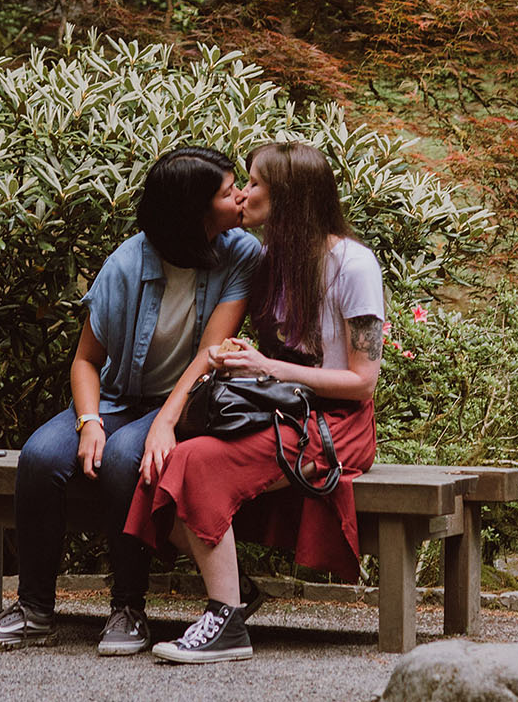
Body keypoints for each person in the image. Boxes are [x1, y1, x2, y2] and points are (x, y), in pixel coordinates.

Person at [0, 147, 261, 656]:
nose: (239, 196)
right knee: (39, 457)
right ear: (193, 212)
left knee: (127, 457)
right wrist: (89, 420)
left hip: (185, 402)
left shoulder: (241, 254)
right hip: (120, 397)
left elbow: (209, 357)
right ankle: (33, 609)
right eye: (226, 190)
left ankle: (128, 608)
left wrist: (164, 421)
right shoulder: (126, 264)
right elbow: (85, 361)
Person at [124, 141, 386, 664]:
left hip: (335, 425)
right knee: (158, 466)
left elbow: (363, 383)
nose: (243, 193)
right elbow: (240, 355)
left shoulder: (354, 266)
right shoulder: (270, 262)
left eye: (255, 183)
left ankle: (224, 620)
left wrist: (269, 367)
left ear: (287, 197)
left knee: (196, 462)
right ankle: (236, 597)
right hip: (280, 410)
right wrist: (226, 370)